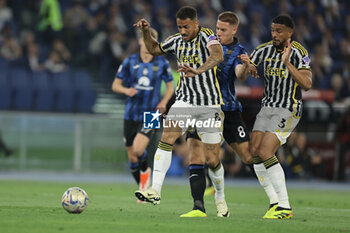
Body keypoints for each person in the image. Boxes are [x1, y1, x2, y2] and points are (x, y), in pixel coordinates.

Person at [182, 11, 276, 218]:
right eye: (217, 28)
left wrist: (246, 66)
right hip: (202, 108)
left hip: (228, 110)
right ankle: (198, 208)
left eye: (223, 30)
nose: (218, 33)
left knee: (249, 156)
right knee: (199, 156)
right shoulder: (205, 42)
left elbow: (239, 74)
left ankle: (276, 201)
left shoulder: (238, 51)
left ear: (234, 30)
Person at [134, 7, 226, 216]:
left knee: (212, 159)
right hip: (185, 101)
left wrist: (199, 69)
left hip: (209, 105)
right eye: (180, 27)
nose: (183, 31)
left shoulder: (207, 36)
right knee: (168, 136)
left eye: (186, 27)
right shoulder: (176, 40)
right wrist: (146, 32)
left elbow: (218, 54)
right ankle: (155, 190)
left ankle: (220, 196)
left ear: (196, 24)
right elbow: (154, 49)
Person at [249, 15, 312, 219]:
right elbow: (242, 72)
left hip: (288, 107)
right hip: (267, 107)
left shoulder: (299, 53)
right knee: (254, 152)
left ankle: (285, 207)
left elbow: (307, 84)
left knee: (266, 151)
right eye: (273, 30)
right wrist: (244, 67)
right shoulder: (263, 50)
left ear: (289, 33)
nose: (274, 34)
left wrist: (287, 63)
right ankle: (274, 202)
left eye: (279, 31)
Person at [112, 28, 174, 199]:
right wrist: (126, 90)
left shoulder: (162, 63)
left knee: (139, 149)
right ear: (140, 41)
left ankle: (145, 173)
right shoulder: (129, 61)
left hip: (152, 113)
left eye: (152, 40)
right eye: (145, 39)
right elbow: (115, 85)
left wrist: (163, 102)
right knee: (132, 156)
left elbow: (170, 86)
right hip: (131, 113)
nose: (148, 43)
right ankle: (142, 186)